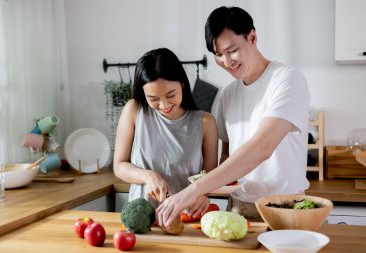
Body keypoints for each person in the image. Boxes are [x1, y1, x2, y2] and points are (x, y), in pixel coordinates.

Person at [157, 6, 310, 227]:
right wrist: (208, 187)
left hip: (285, 209)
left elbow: (262, 147)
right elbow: (228, 153)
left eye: (232, 50)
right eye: (218, 54)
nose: (226, 61)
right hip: (238, 208)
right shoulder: (227, 94)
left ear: (253, 37)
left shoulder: (287, 80)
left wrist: (195, 189)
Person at [113, 48, 218, 211]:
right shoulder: (134, 110)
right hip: (143, 217)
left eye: (170, 95)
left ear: (182, 84)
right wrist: (147, 176)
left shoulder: (206, 122)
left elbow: (211, 177)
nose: (164, 105)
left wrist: (204, 195)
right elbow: (119, 166)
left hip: (187, 216)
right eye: (153, 99)